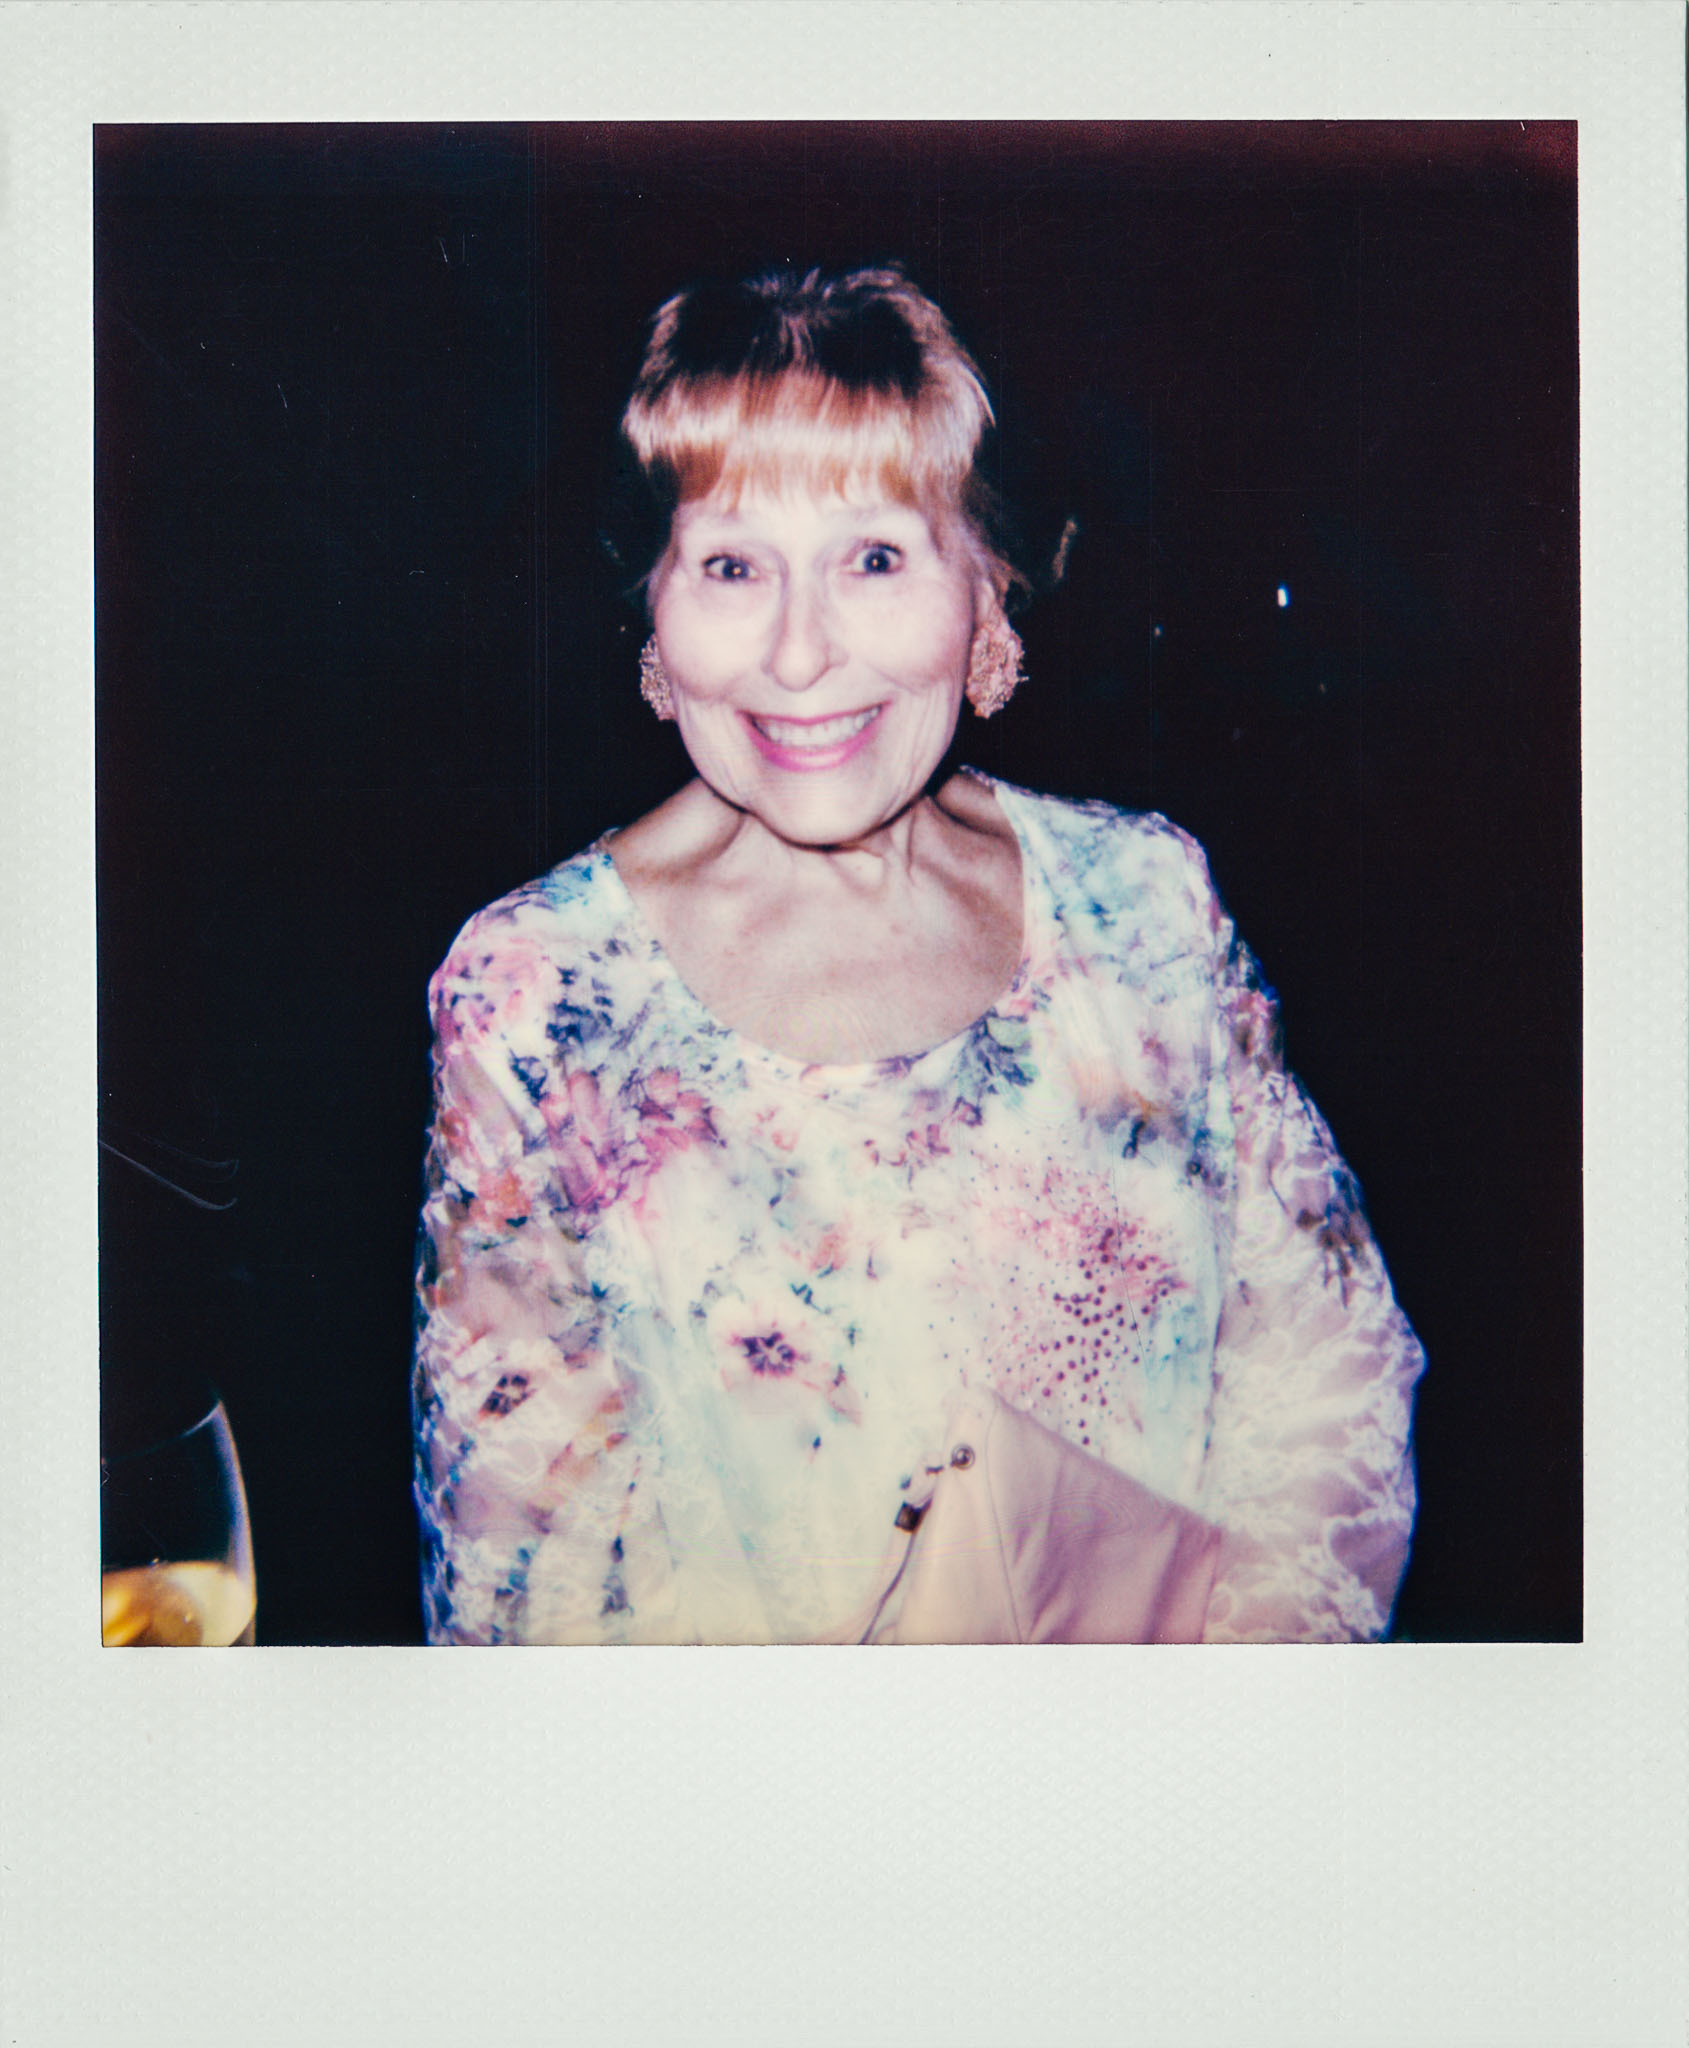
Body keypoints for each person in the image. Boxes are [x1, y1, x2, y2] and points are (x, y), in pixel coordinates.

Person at [411, 265, 1425, 1645]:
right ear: (652, 608)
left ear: (983, 592)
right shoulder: (535, 997)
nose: (799, 651)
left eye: (873, 559)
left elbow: (1324, 1378)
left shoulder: (1143, 901)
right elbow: (524, 1587)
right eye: (729, 566)